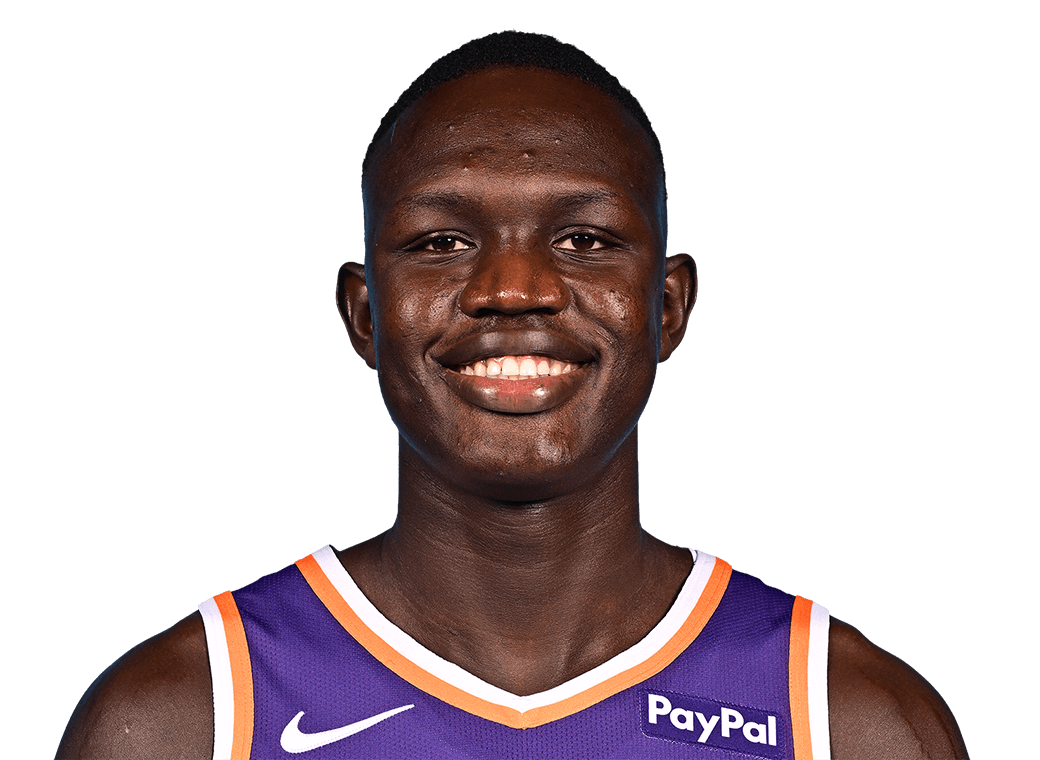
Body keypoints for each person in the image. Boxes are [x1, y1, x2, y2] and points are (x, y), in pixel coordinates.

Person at [56, 31, 969, 759]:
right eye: (442, 242)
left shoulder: (844, 720)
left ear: (668, 307)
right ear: (364, 315)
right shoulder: (188, 719)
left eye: (584, 240)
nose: (514, 288)